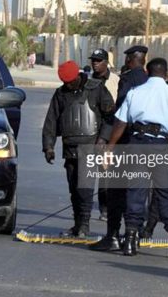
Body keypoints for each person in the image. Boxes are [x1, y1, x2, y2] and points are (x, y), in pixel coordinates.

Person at [106, 58, 168, 259]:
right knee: (167, 194)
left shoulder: (135, 93)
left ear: (148, 73)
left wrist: (109, 149)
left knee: (135, 191)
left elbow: (120, 124)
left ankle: (130, 241)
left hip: (137, 144)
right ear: (166, 74)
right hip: (161, 146)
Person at [42, 60, 115, 238]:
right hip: (70, 148)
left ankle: (84, 225)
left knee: (85, 188)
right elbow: (51, 121)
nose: (68, 85)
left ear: (77, 76)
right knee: (73, 188)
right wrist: (48, 147)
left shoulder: (96, 89)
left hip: (90, 146)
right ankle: (77, 225)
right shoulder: (60, 94)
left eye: (71, 81)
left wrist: (103, 139)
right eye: (65, 82)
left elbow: (110, 117)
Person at [90, 45, 148, 252]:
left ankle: (113, 236)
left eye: (127, 58)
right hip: (144, 144)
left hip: (124, 142)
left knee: (116, 191)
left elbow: (121, 113)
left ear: (132, 59)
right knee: (137, 193)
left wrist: (107, 141)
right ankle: (134, 236)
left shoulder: (128, 79)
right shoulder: (148, 81)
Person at [89, 48, 120, 222]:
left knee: (105, 174)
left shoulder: (115, 81)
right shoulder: (88, 81)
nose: (95, 63)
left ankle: (105, 208)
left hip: (108, 133)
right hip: (90, 132)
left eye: (99, 60)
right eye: (93, 60)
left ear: (106, 63)